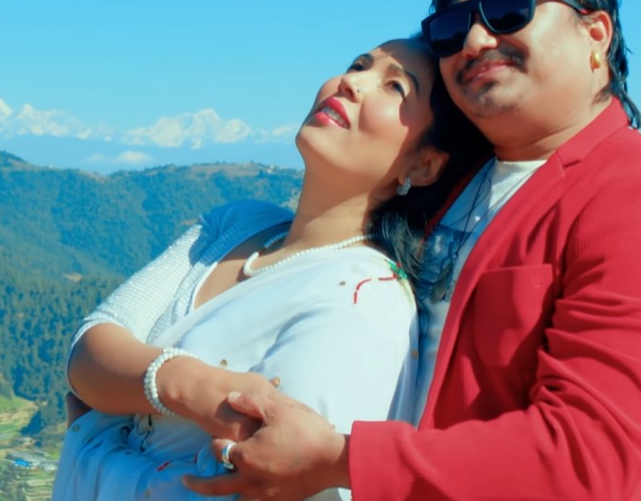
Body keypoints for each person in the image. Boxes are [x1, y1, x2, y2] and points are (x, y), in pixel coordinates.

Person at [183, 0, 641, 501]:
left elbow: (587, 457)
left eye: (509, 10)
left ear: (595, 33)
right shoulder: (450, 175)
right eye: (449, 30)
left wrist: (340, 460)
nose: (473, 42)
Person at [52, 39, 490, 500]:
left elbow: (258, 485)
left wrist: (94, 437)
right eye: (358, 64)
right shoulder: (237, 222)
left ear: (424, 165)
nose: (352, 82)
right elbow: (87, 352)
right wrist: (199, 389)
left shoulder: (362, 296)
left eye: (395, 87)